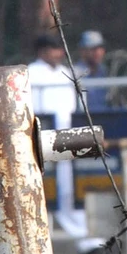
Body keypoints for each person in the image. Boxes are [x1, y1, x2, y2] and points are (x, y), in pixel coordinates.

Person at [27, 33, 83, 236]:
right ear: (43, 51)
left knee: (67, 186)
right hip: (43, 132)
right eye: (54, 49)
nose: (59, 53)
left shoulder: (64, 73)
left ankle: (81, 235)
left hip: (67, 133)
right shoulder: (32, 73)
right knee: (41, 185)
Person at [76, 29, 109, 111]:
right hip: (83, 119)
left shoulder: (104, 71)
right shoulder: (75, 73)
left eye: (100, 48)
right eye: (93, 49)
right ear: (82, 51)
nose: (98, 52)